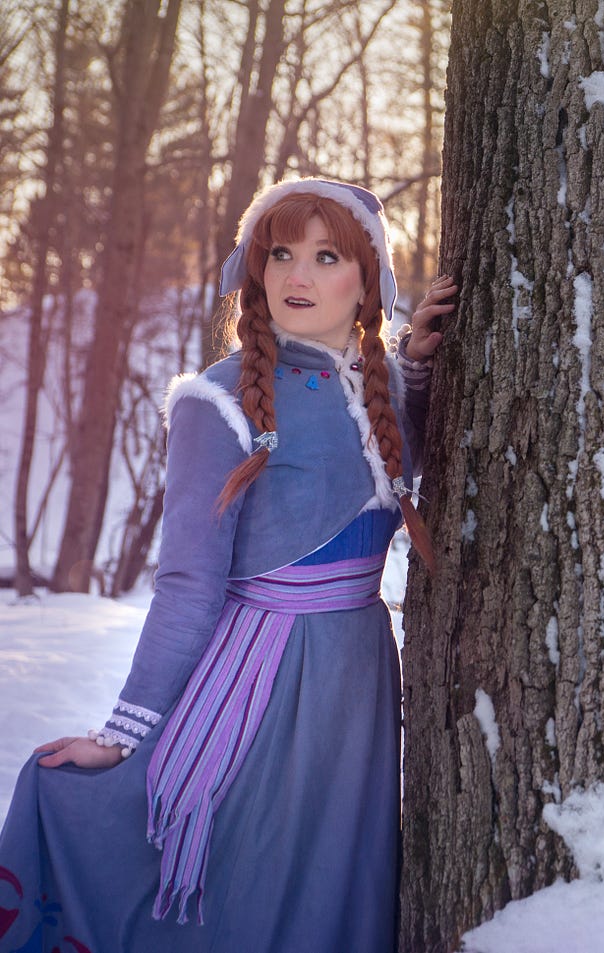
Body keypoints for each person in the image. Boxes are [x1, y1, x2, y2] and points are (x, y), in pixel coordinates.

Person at [0, 178, 456, 952]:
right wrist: (123, 731)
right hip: (262, 684)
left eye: (326, 256)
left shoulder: (378, 384)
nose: (297, 276)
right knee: (251, 891)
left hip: (356, 678)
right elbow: (187, 586)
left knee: (333, 888)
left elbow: (387, 452)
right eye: (279, 254)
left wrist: (415, 360)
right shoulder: (216, 401)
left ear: (368, 280)